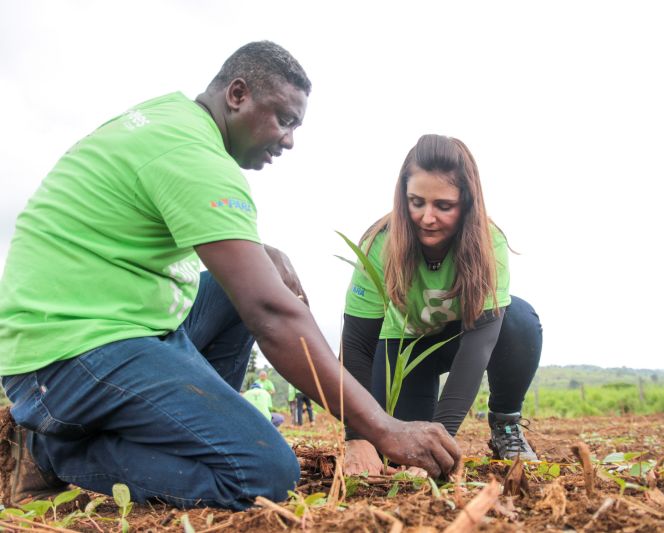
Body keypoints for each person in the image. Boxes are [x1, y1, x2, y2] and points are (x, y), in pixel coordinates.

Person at [0, 41, 459, 510]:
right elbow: (271, 314)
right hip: (64, 355)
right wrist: (382, 427)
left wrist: (261, 252)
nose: (289, 140)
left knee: (241, 284)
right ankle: (50, 454)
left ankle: (185, 437)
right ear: (237, 95)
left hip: (115, 321)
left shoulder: (170, 121)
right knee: (262, 475)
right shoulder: (194, 156)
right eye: (284, 119)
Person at [341, 134, 543, 476]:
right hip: (402, 347)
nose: (427, 217)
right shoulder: (380, 243)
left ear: (466, 202)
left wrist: (441, 443)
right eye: (416, 202)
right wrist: (357, 437)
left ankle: (505, 422)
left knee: (518, 318)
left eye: (443, 206)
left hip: (461, 340)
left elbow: (478, 347)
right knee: (398, 456)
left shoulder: (489, 243)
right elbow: (358, 345)